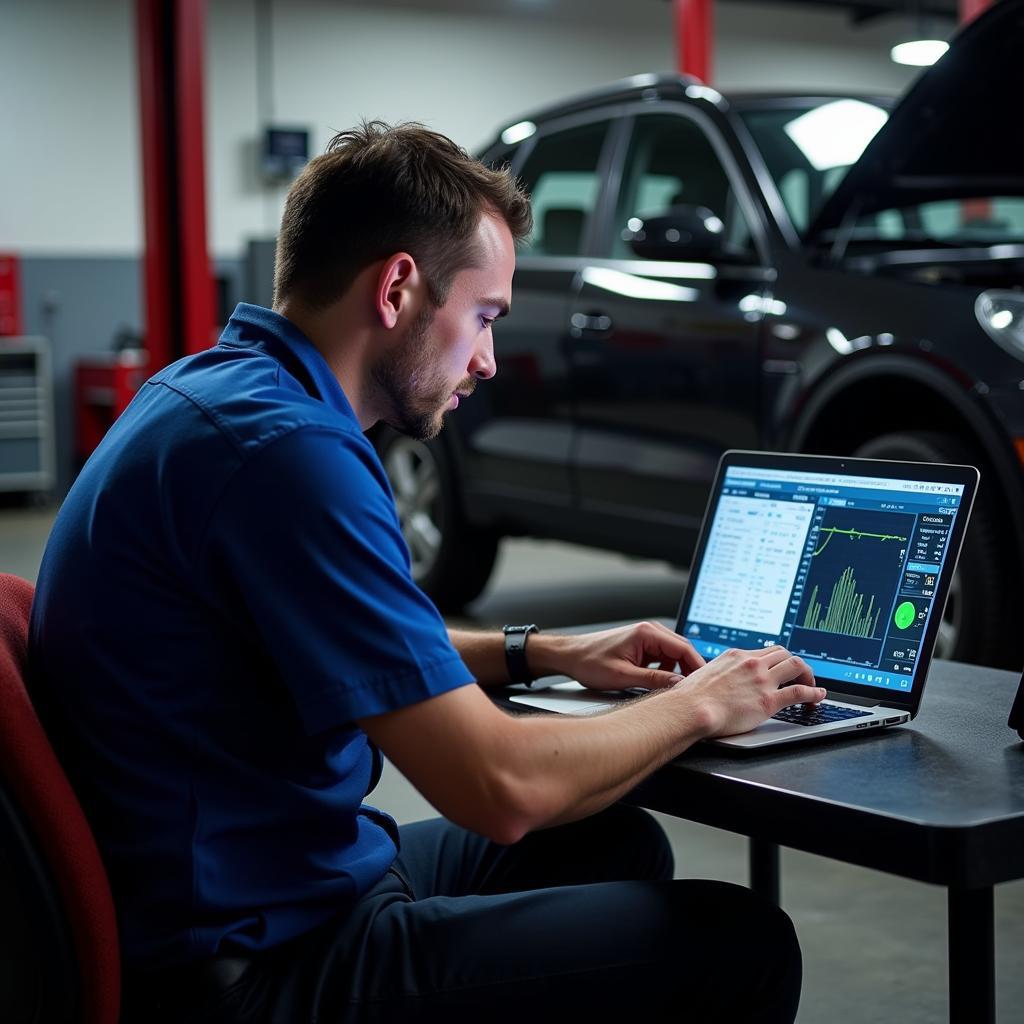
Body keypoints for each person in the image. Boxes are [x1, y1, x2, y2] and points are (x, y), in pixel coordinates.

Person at [29, 121, 825, 1023]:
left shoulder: (217, 395)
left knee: (613, 842)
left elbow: (355, 635)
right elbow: (500, 790)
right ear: (399, 288)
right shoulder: (290, 455)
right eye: (482, 317)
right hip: (258, 961)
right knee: (741, 947)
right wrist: (704, 700)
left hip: (273, 878)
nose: (485, 360)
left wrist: (544, 651)